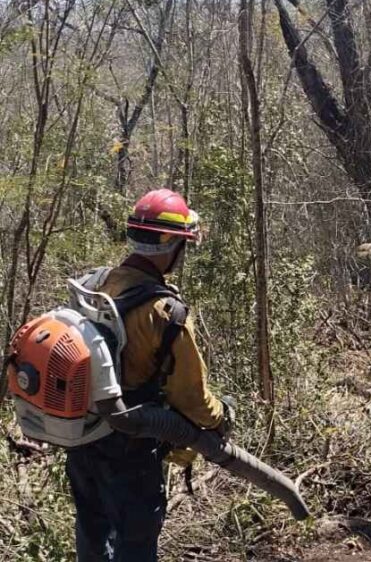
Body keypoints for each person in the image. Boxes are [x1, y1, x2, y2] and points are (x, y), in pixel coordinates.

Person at [66, 188, 231, 561]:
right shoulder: (165, 313)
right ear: (172, 245)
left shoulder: (95, 285)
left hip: (82, 438)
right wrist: (223, 415)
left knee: (93, 536)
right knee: (135, 544)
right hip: (130, 448)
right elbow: (193, 401)